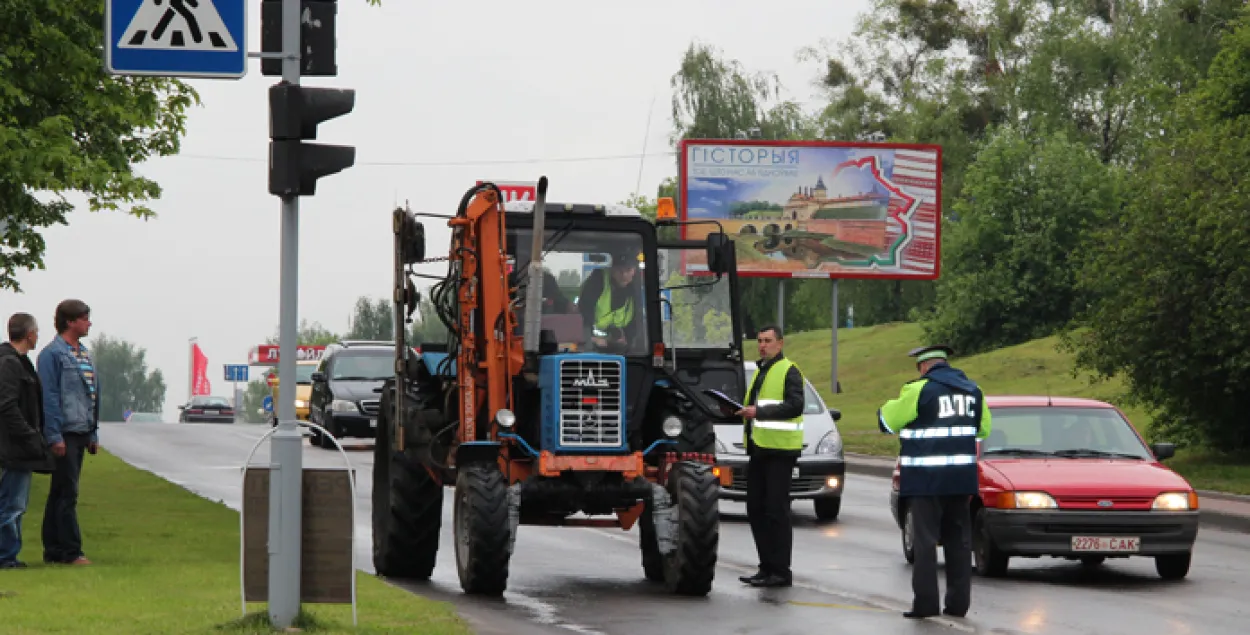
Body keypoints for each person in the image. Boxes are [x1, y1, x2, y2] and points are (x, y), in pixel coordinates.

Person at [877, 344, 991, 619]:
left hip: (926, 481)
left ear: (924, 367)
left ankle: (926, 604)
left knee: (925, 543)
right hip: (961, 480)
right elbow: (984, 429)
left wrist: (892, 407)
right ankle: (957, 605)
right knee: (960, 543)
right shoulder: (973, 391)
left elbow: (887, 422)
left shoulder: (918, 390)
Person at [735, 325, 805, 588]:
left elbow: (795, 405)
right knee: (756, 509)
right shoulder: (761, 372)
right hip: (759, 449)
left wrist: (759, 413)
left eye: (768, 341)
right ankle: (765, 567)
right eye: (760, 341)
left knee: (776, 511)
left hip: (780, 452)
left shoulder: (789, 370)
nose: (763, 345)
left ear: (780, 343)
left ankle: (780, 571)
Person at [37, 299, 100, 566]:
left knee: (60, 491)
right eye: (85, 318)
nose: (89, 323)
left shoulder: (84, 354)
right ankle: (70, 551)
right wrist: (54, 435)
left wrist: (93, 432)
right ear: (70, 321)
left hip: (81, 430)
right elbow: (49, 397)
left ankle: (54, 549)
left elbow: (93, 395)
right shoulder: (52, 354)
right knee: (67, 493)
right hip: (64, 432)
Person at [0, 313, 56, 569]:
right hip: (13, 447)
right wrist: (28, 433)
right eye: (36, 331)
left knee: (13, 502)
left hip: (17, 445)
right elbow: (7, 405)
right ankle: (5, 556)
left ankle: (9, 553)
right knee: (12, 503)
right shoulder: (10, 364)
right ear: (29, 334)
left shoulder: (21, 363)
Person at [576, 248, 644, 353]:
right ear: (612, 270)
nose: (624, 275)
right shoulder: (598, 281)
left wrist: (629, 345)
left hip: (618, 348)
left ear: (634, 271)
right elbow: (583, 316)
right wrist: (591, 340)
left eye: (628, 270)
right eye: (620, 270)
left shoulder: (636, 290)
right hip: (591, 347)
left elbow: (636, 325)